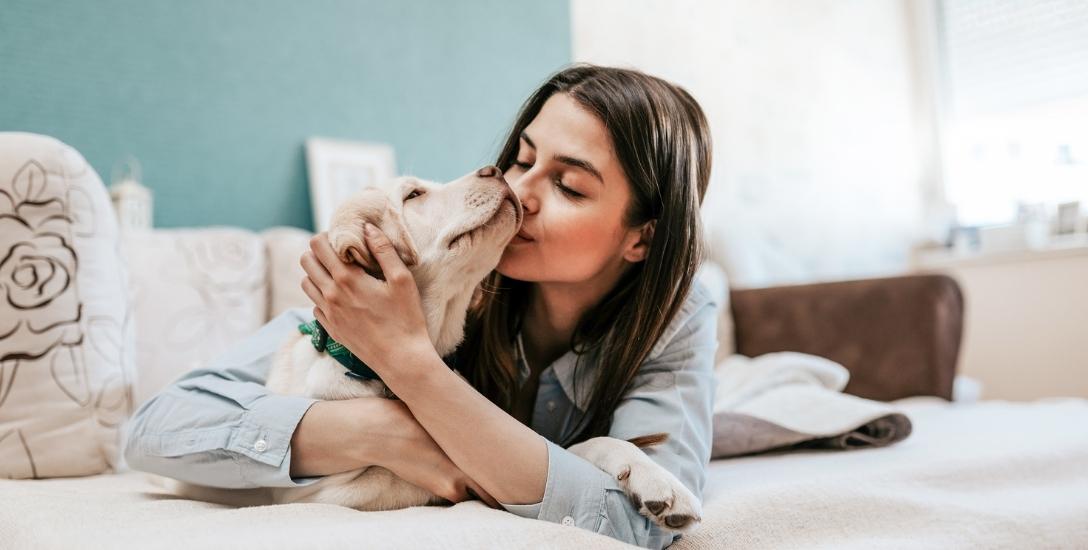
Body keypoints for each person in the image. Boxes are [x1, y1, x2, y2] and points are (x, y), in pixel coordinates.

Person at [124, 64, 717, 549]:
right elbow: (156, 430)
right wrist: (381, 431)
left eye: (569, 186)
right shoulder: (437, 278)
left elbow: (642, 524)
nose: (521, 190)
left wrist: (411, 364)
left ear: (642, 236)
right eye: (523, 158)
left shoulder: (677, 316)